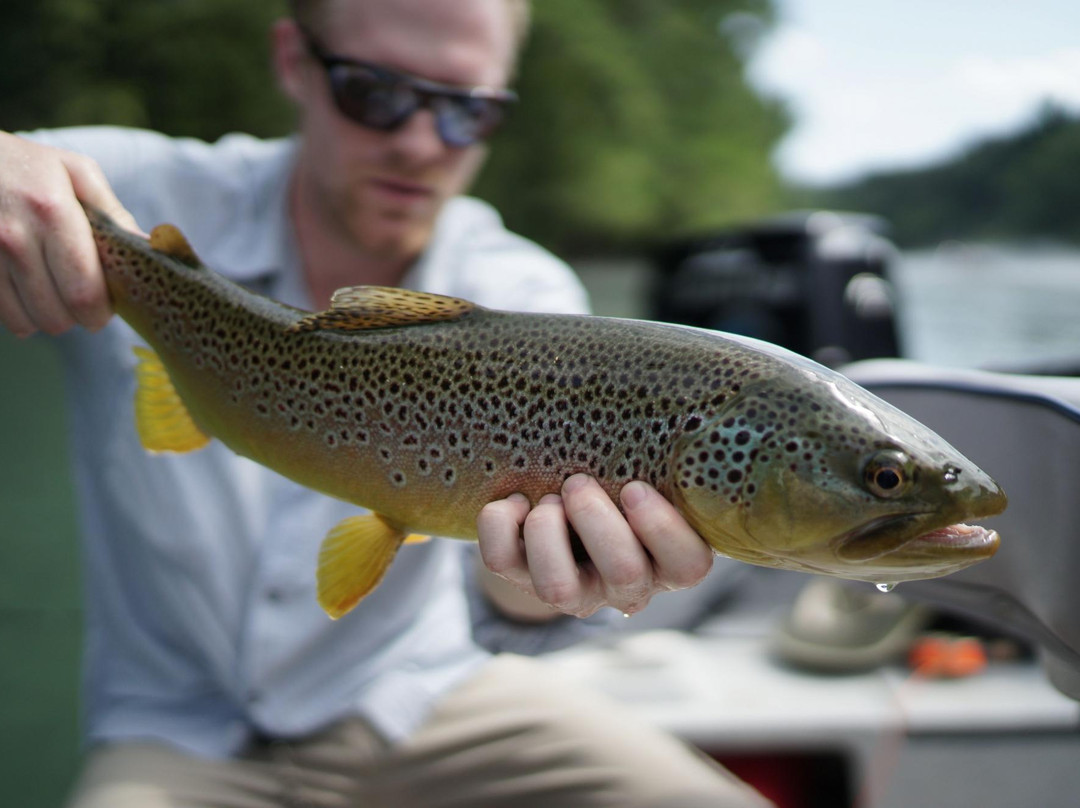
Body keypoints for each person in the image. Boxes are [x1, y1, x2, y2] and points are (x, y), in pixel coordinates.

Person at [0, 1, 772, 806]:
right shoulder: (130, 191)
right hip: (182, 731)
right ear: (295, 60)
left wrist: (559, 577)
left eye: (467, 110)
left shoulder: (529, 297)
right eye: (375, 93)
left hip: (421, 701)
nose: (420, 142)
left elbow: (505, 603)